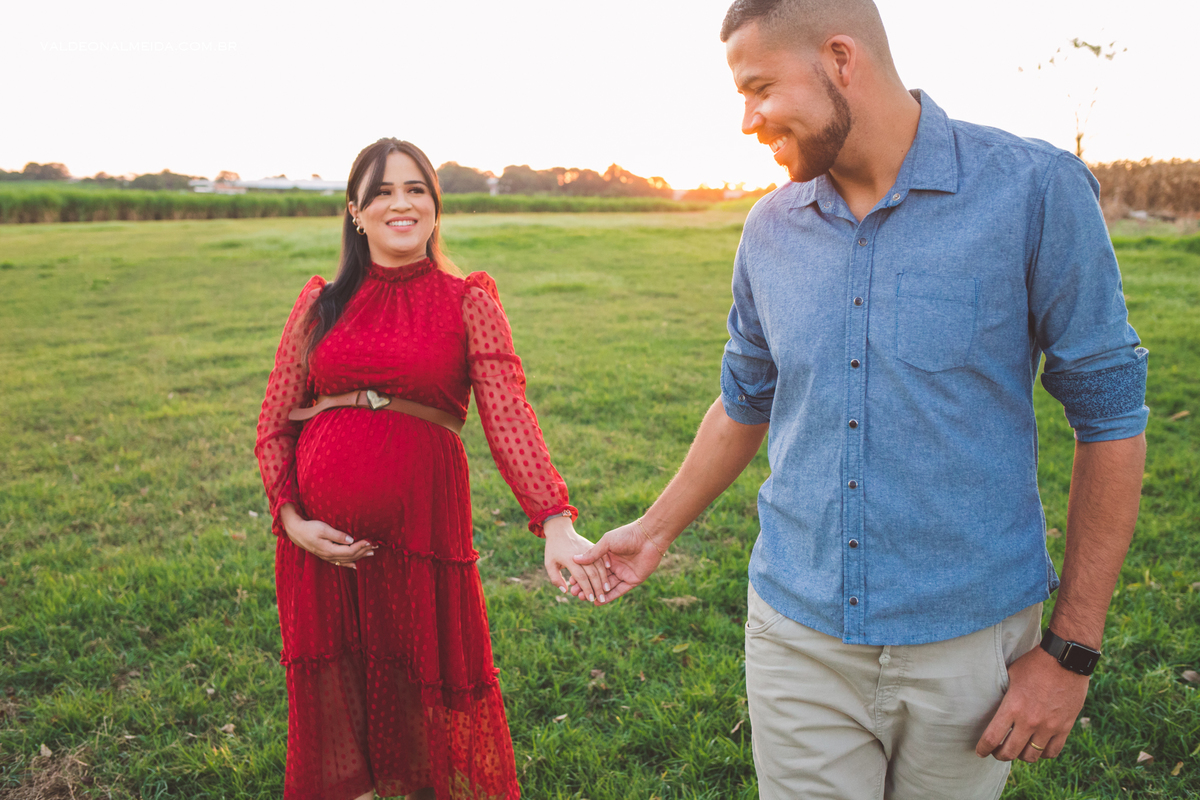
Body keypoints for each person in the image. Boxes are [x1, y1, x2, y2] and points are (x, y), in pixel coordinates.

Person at [574, 1, 1148, 798]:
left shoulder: (1034, 190)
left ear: (841, 59)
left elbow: (1110, 416)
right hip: (796, 636)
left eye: (761, 88)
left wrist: (1071, 653)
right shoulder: (768, 229)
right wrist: (652, 530)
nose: (747, 120)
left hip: (968, 646)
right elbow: (744, 400)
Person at [255, 138, 611, 800]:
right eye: (383, 192)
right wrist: (292, 520)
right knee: (337, 690)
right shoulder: (320, 304)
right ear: (355, 211)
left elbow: (509, 415)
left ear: (435, 205)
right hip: (319, 546)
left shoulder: (467, 300)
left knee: (421, 683)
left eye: (416, 189)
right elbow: (276, 422)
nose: (402, 203)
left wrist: (555, 521)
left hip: (422, 532)